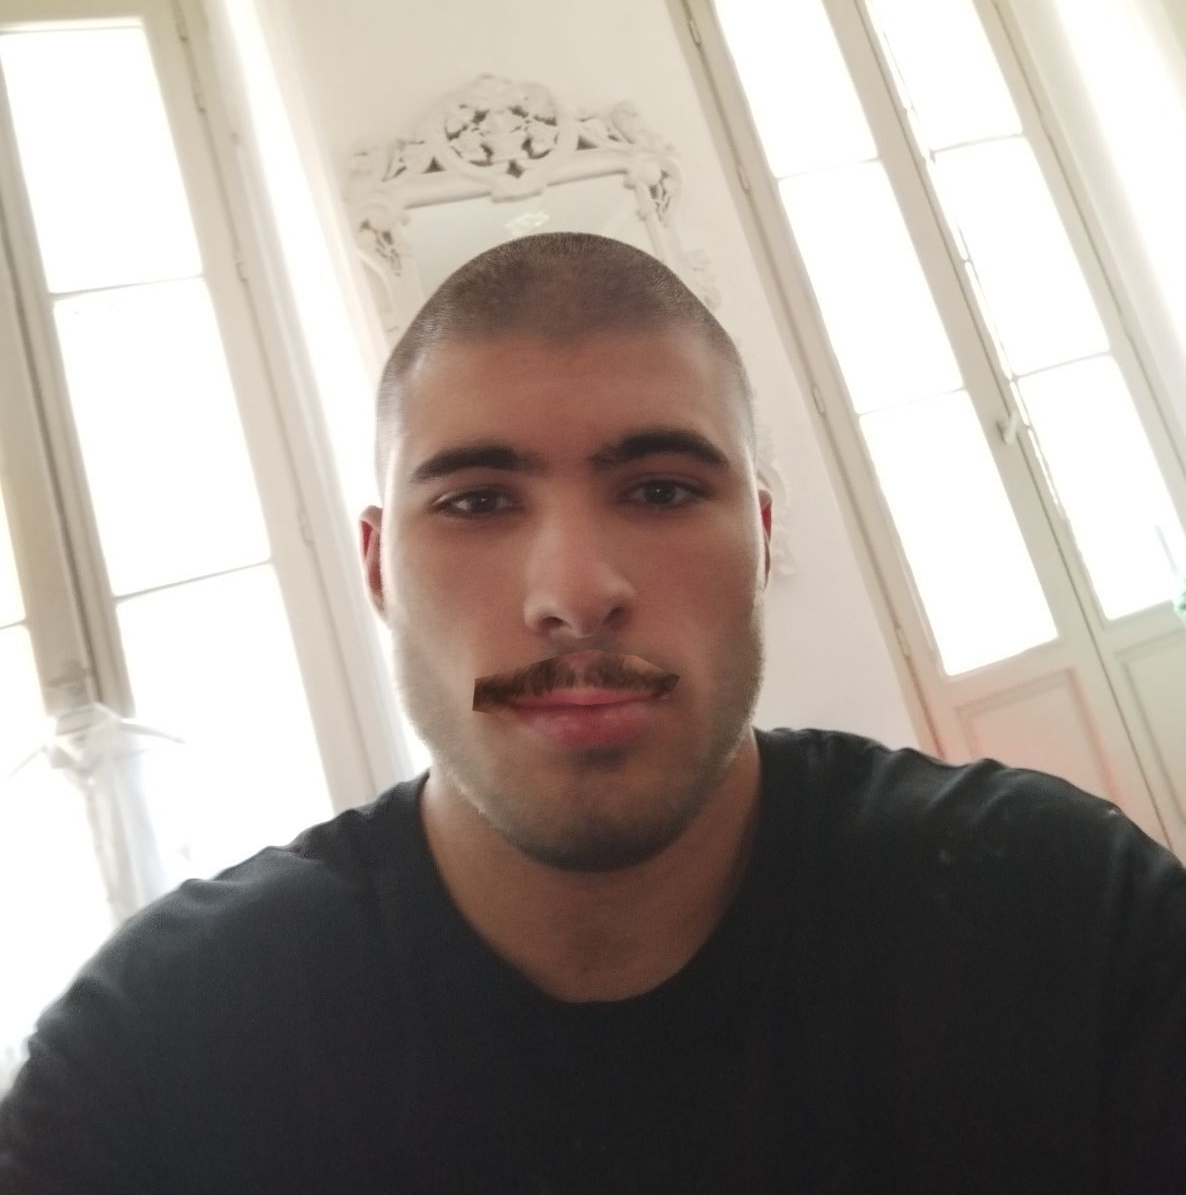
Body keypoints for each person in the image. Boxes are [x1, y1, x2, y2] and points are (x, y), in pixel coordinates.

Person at [1, 230, 1184, 1194]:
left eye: (660, 490)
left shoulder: (1071, 917)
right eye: (476, 502)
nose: (573, 592)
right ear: (375, 567)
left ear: (761, 535)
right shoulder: (159, 1052)